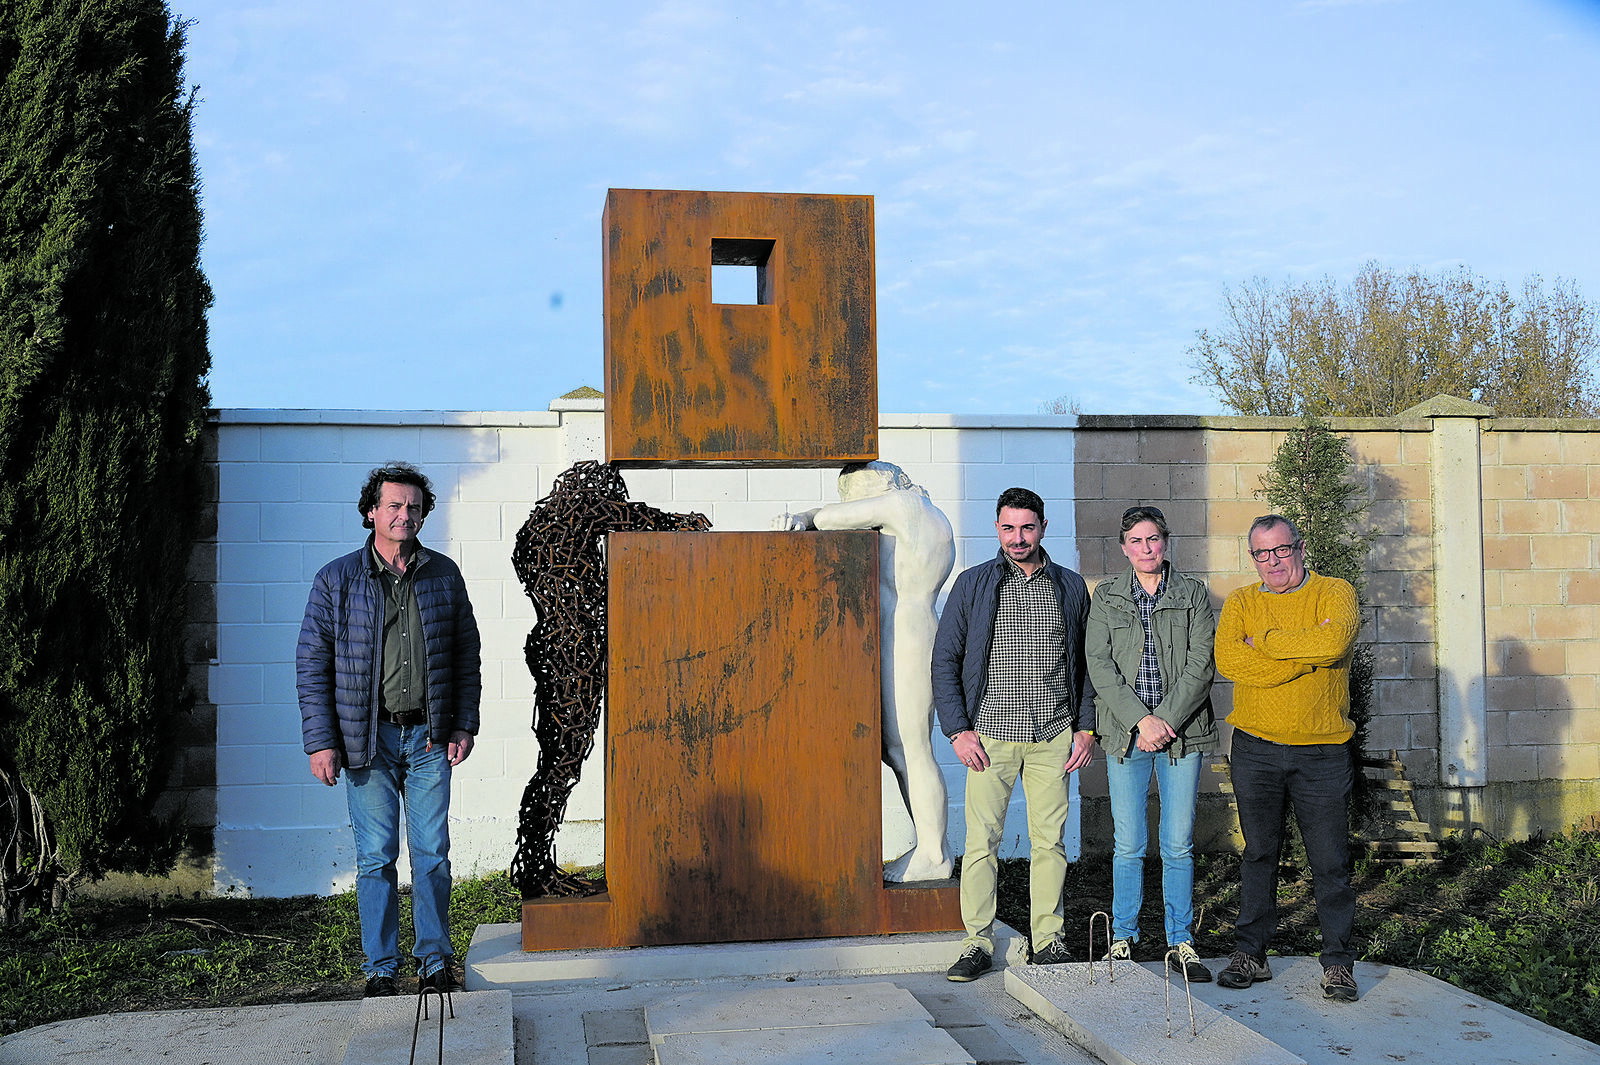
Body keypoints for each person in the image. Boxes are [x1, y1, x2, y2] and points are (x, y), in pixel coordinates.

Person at [297, 463, 482, 998]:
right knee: (376, 857)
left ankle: (432, 961)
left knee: (432, 853)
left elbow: (465, 656)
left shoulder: (445, 575)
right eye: (394, 505)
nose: (405, 515)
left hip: (429, 738)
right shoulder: (337, 579)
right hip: (365, 741)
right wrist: (322, 741)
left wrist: (464, 723)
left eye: (415, 507)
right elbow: (313, 663)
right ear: (371, 512)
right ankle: (380, 967)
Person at [932, 487, 1097, 981]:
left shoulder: (1069, 587)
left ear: (1043, 528)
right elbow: (945, 661)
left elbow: (1088, 665)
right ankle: (977, 942)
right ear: (997, 528)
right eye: (1008, 528)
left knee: (1051, 843)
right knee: (982, 841)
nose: (1017, 537)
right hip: (990, 738)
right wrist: (958, 730)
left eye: (1027, 527)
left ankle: (1048, 940)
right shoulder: (973, 584)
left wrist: (1086, 728)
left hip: (1054, 736)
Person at [781, 461, 957, 882]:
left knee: (909, 750)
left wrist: (803, 517)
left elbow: (829, 519)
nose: (853, 500)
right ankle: (933, 848)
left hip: (907, 634)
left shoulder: (904, 506)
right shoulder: (922, 513)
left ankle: (933, 855)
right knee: (900, 750)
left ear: (884, 482)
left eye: (856, 489)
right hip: (905, 630)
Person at [1213, 514, 1361, 1003]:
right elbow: (1231, 661)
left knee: (1330, 860)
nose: (1272, 561)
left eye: (1280, 550)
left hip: (1322, 750)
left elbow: (1334, 641)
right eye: (1261, 553)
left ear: (1300, 548)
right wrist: (1303, 658)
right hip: (1255, 747)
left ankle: (1338, 963)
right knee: (1258, 853)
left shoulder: (1335, 592)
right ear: (1252, 557)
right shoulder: (1241, 602)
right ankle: (1250, 953)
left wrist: (1270, 645)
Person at [1085, 506, 1217, 983]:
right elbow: (1099, 665)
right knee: (1129, 843)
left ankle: (1180, 941)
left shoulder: (1193, 595)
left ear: (1166, 541)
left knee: (1177, 844)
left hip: (1183, 735)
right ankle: (1124, 936)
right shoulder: (1107, 598)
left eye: (1154, 539)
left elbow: (1202, 665)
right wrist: (1141, 721)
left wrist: (1165, 720)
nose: (1146, 548)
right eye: (1136, 541)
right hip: (1127, 736)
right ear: (1124, 547)